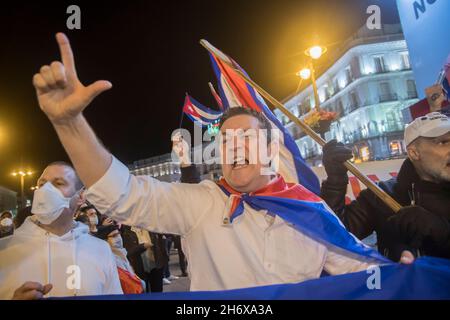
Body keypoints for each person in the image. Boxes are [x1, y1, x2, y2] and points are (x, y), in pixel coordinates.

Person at [32, 33, 414, 291]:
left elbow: (366, 274)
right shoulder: (201, 203)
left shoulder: (312, 210)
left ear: (270, 150)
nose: (234, 147)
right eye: (226, 140)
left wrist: (407, 276)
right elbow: (124, 194)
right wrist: (69, 124)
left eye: (246, 137)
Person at [320, 112, 450, 260]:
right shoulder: (382, 195)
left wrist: (441, 232)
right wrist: (335, 180)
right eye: (443, 142)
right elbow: (335, 233)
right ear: (414, 153)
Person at [0, 161, 122, 299]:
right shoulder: (4, 250)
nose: (45, 190)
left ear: (80, 197)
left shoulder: (101, 250)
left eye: (58, 183)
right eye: (41, 184)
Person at [96, 224, 145, 294]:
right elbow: (130, 287)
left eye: (119, 234)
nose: (118, 238)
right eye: (114, 236)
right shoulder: (110, 261)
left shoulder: (122, 254)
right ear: (105, 241)